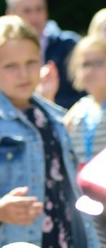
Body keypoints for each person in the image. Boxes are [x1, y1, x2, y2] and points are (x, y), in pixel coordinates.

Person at [0, 15, 98, 247]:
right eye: (11, 66)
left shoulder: (56, 118)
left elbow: (73, 196)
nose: (24, 74)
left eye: (31, 62)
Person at [6, 0, 83, 108]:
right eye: (27, 11)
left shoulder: (69, 45)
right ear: (10, 15)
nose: (34, 16)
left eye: (39, 9)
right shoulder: (2, 53)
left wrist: (49, 103)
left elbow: (92, 91)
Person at [63, 35, 106, 245]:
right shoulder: (80, 109)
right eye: (84, 64)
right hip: (83, 197)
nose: (90, 70)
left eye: (98, 63)